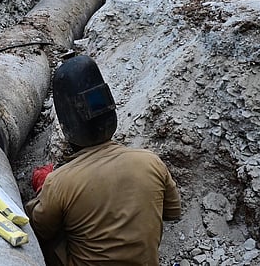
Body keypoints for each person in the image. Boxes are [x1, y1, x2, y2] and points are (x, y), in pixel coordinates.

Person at [25, 55, 182, 265]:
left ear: (66, 123)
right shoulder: (151, 161)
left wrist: (43, 192)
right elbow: (172, 212)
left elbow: (39, 229)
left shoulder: (60, 182)